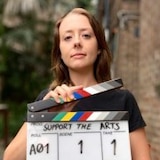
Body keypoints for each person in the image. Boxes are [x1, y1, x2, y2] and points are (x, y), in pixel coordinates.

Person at [3, 8, 151, 160]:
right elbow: (10, 158)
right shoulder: (48, 101)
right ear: (60, 51)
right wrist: (45, 117)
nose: (77, 42)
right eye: (67, 37)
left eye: (86, 35)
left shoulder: (123, 100)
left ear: (99, 46)